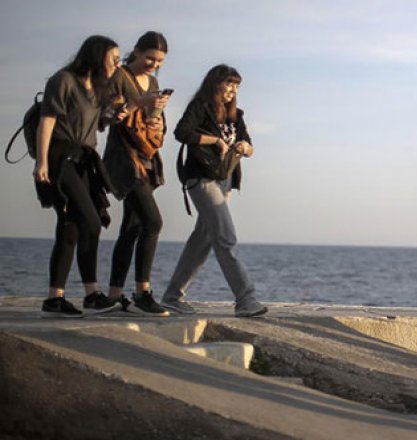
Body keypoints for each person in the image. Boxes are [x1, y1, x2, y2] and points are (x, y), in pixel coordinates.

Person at [159, 64, 267, 318]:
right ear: (215, 83)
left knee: (203, 240)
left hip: (226, 180)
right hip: (202, 178)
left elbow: (250, 145)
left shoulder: (235, 115)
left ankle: (172, 297)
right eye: (229, 84)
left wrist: (243, 147)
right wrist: (215, 140)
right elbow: (181, 132)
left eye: (236, 86)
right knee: (226, 237)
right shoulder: (201, 106)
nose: (233, 90)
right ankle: (245, 299)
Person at [33, 36, 123, 318]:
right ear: (97, 56)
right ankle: (92, 295)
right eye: (114, 59)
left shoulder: (96, 88)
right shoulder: (63, 80)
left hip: (85, 160)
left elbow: (95, 123)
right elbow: (47, 121)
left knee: (71, 227)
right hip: (61, 157)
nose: (117, 64)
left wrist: (114, 116)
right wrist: (42, 162)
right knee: (90, 221)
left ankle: (55, 299)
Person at [103, 31, 170, 316]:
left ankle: (115, 295)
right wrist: (138, 104)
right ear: (137, 52)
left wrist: (156, 112)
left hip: (146, 157)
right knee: (153, 223)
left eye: (159, 61)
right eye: (149, 58)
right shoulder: (119, 76)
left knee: (131, 228)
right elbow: (109, 117)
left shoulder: (153, 81)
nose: (153, 65)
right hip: (124, 159)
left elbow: (150, 121)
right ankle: (143, 293)